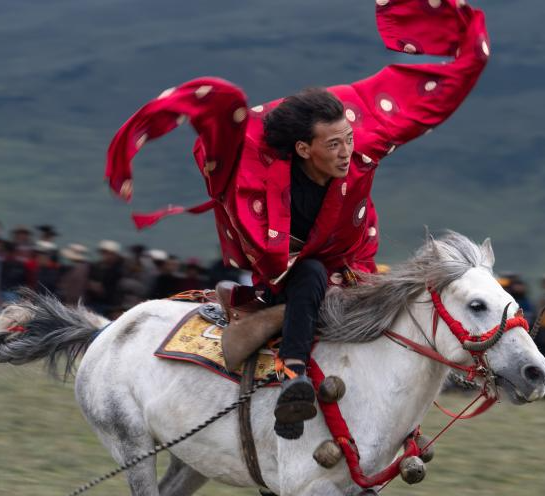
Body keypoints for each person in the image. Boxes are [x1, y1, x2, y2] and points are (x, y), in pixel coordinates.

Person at [107, 0, 491, 438]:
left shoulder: (362, 147)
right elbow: (261, 242)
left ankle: (397, 425)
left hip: (353, 263)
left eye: (348, 138)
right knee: (310, 275)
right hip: (286, 273)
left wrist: (468, 48)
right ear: (304, 150)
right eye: (334, 144)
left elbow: (427, 104)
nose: (346, 151)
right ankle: (293, 377)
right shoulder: (257, 183)